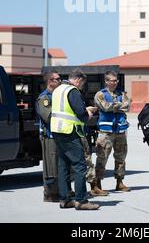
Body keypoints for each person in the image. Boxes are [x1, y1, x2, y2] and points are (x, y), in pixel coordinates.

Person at [50, 68, 100, 210]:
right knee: (79, 165)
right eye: (82, 84)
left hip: (57, 130)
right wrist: (88, 112)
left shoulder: (58, 89)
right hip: (69, 131)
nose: (81, 86)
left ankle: (65, 199)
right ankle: (81, 201)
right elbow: (81, 114)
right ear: (78, 80)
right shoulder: (73, 91)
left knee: (63, 165)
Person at [94, 70, 131, 192]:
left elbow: (127, 106)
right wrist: (118, 106)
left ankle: (119, 181)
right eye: (111, 80)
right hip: (106, 132)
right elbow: (104, 106)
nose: (114, 83)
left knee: (121, 157)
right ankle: (97, 184)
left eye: (116, 80)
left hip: (120, 130)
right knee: (102, 157)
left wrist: (114, 106)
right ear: (106, 81)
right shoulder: (100, 94)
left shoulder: (121, 93)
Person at [36, 71, 62, 202]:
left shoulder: (58, 96)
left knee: (59, 165)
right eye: (57, 79)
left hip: (59, 134)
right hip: (49, 136)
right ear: (50, 81)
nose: (59, 81)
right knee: (50, 166)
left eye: (59, 78)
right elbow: (48, 117)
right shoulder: (44, 98)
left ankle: (60, 191)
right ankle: (50, 194)